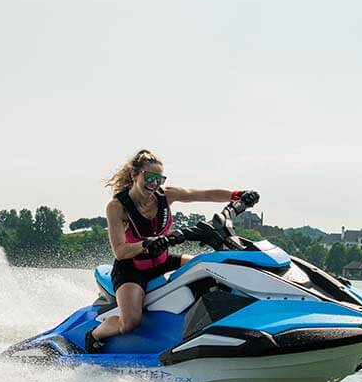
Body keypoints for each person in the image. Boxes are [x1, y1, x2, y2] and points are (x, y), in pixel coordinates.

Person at [84, 149, 258, 352]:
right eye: (150, 177)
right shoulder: (117, 206)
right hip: (132, 269)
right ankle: (95, 334)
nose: (154, 184)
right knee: (130, 322)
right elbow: (120, 252)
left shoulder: (166, 195)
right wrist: (146, 243)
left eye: (159, 179)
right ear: (134, 174)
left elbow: (205, 194)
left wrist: (238, 195)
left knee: (212, 268)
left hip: (163, 260)